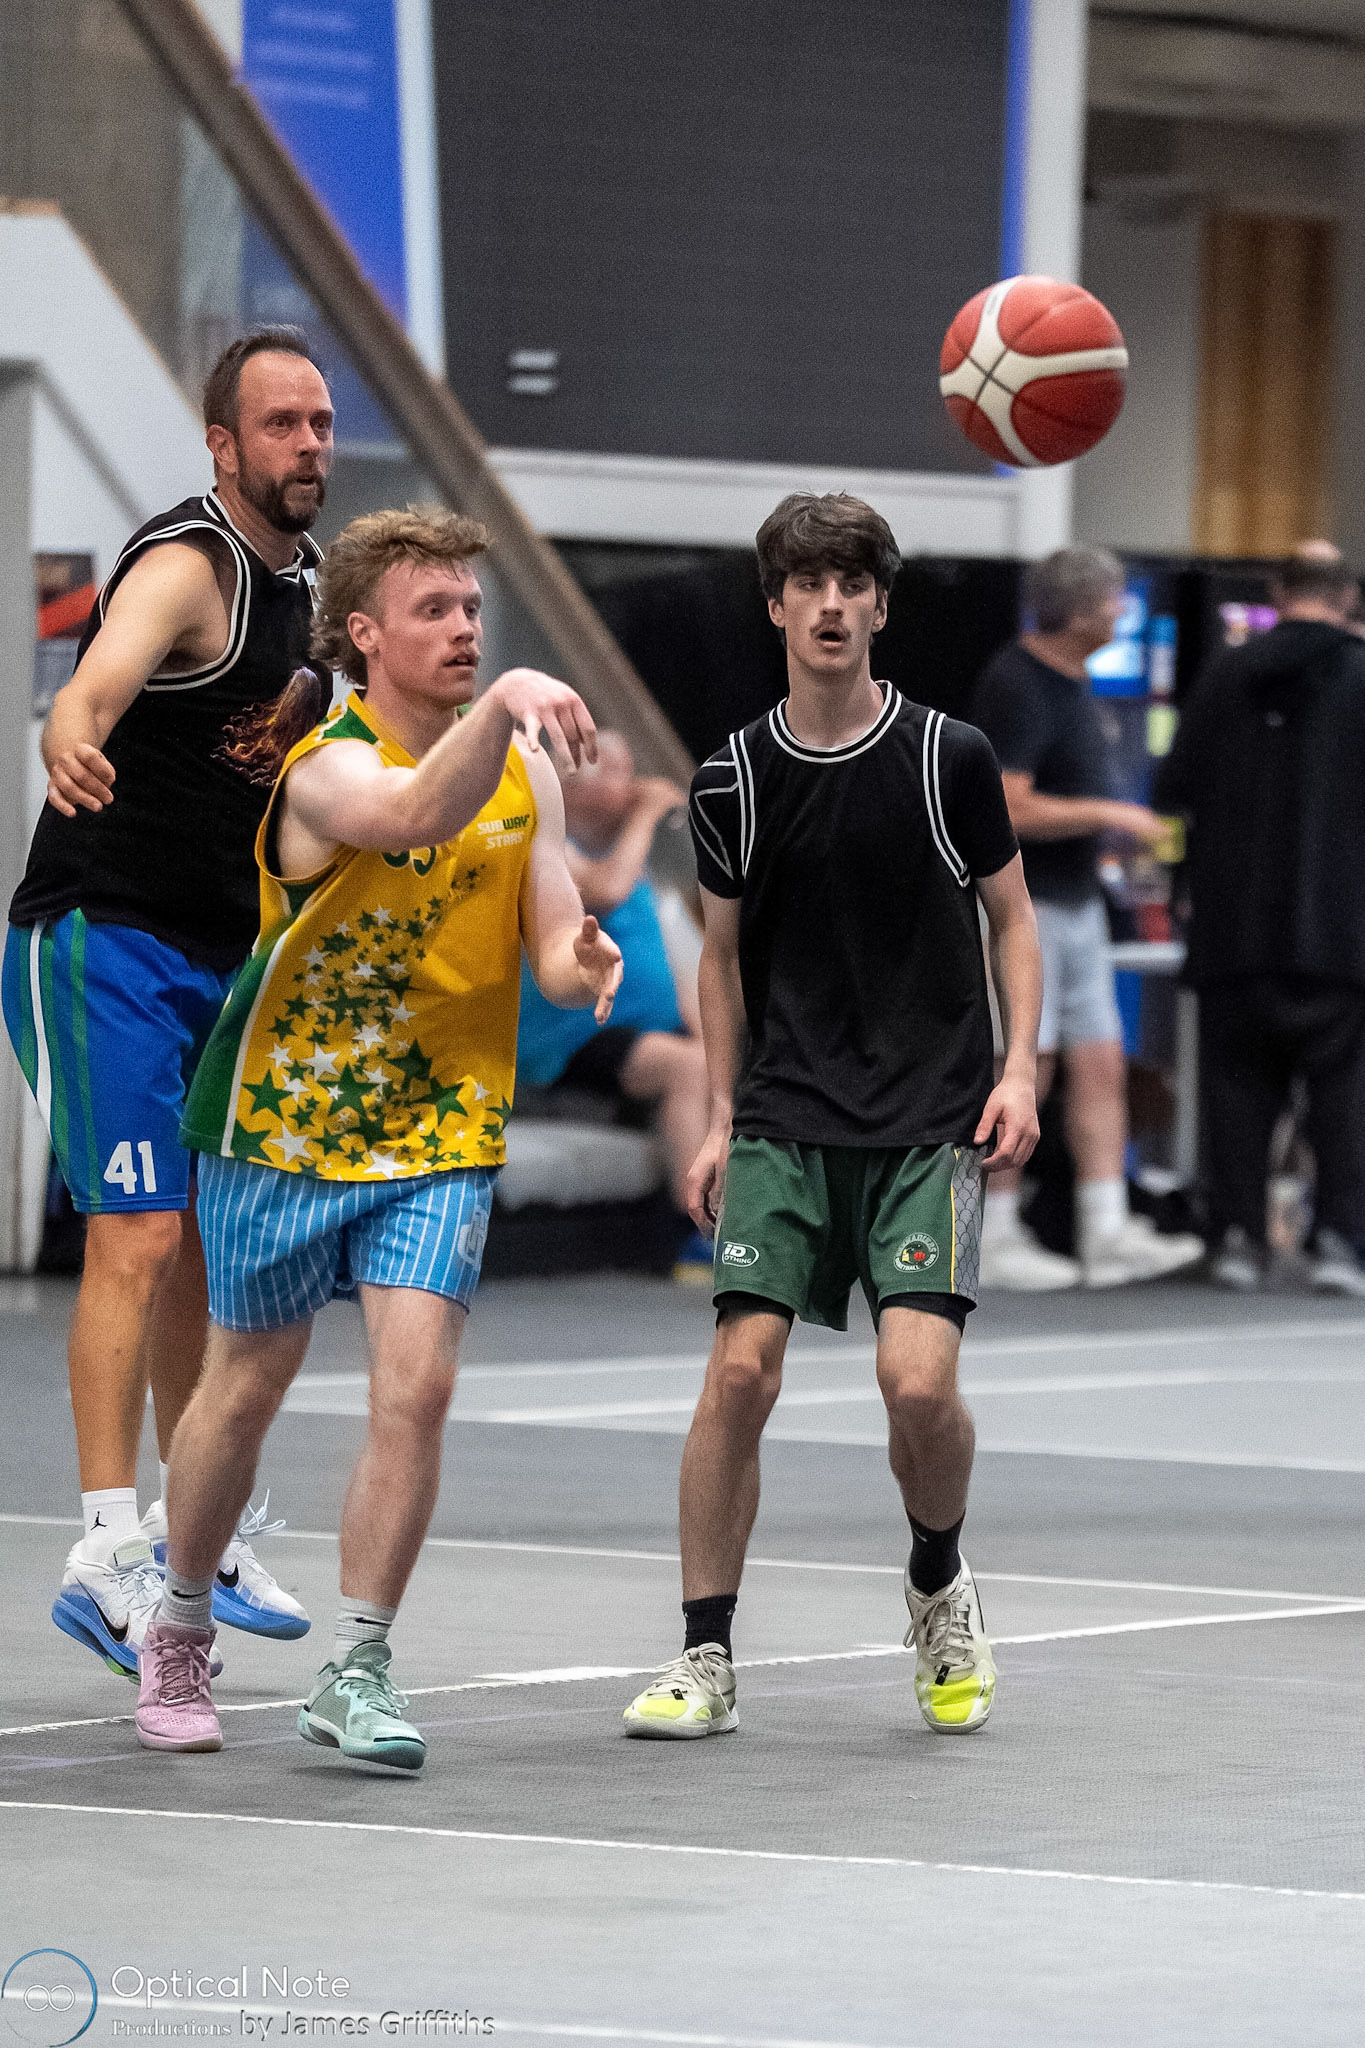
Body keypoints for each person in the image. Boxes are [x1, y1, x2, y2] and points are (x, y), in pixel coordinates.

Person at [132, 506, 621, 1768]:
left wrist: (581, 960)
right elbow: (407, 813)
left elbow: (548, 940)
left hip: (443, 1122)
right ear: (364, 634)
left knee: (421, 1382)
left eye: (472, 610)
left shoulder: (524, 773)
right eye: (434, 610)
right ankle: (176, 1621)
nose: (463, 628)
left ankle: (358, 1666)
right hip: (285, 1118)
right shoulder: (324, 767)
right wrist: (504, 701)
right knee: (246, 1385)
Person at [621, 492, 1042, 1742]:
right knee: (738, 1369)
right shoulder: (733, 778)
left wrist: (1020, 1069)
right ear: (775, 605)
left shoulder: (950, 756)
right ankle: (704, 1652)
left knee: (916, 1385)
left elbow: (1014, 920)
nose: (831, 604)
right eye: (808, 583)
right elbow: (719, 959)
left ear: (880, 607)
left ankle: (938, 1577)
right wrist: (718, 1115)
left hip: (929, 1120)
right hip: (787, 1116)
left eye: (853, 583)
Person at [1, 327, 333, 1678]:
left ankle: (195, 1522)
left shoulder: (312, 590)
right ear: (222, 443)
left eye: (320, 423)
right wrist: (69, 729)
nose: (308, 444)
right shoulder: (191, 564)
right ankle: (101, 1548)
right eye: (281, 424)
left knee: (201, 1244)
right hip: (102, 937)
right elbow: (94, 685)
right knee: (136, 1230)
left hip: (219, 955)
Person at [971, 547, 1203, 1290]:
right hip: (1023, 907)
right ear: (1074, 611)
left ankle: (1105, 1230)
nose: (1120, 612)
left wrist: (1106, 832)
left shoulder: (1074, 685)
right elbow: (1006, 806)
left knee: (1100, 1061)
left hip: (1077, 905)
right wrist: (1110, 814)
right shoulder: (1016, 683)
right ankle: (992, 1232)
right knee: (1024, 1066)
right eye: (1110, 600)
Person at [1153, 547, 1365, 1294]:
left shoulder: (1224, 673)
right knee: (1344, 1096)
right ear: (1347, 598)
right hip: (1343, 930)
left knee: (1235, 1091)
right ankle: (1338, 1241)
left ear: (1278, 592)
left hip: (1233, 926)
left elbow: (1173, 785)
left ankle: (1238, 1239)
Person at [515, 729, 711, 1262]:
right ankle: (695, 1229)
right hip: (574, 1034)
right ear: (571, 783)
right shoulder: (549, 845)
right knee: (687, 1067)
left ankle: (752, 1219)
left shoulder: (634, 863)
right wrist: (647, 814)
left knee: (724, 1061)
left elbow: (669, 965)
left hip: (645, 1031)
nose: (633, 784)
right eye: (613, 771)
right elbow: (605, 890)